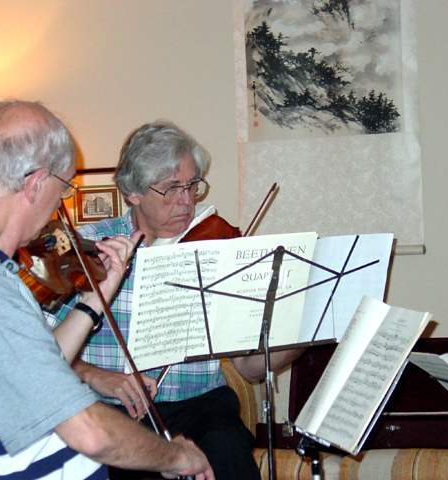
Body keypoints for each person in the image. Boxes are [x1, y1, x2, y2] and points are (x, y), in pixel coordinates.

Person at [0, 102, 215, 480]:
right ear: (35, 184)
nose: (59, 207)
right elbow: (91, 435)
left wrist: (94, 300)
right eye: (63, 189)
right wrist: (177, 456)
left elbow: (39, 364)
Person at [55, 120, 303, 480]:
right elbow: (38, 351)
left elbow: (249, 369)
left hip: (200, 406)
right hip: (112, 410)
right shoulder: (89, 248)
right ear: (133, 192)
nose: (188, 202)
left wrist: (298, 330)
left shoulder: (220, 246)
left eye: (192, 186)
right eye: (172, 188)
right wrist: (98, 376)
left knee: (226, 448)